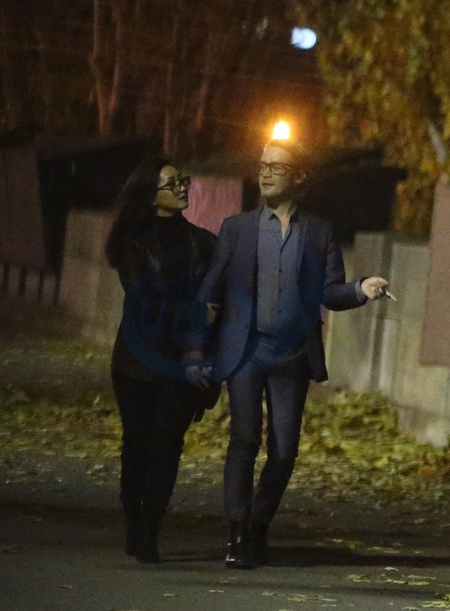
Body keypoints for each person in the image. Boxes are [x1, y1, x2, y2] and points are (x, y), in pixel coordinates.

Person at [192, 139, 389, 569]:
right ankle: (237, 532)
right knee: (244, 439)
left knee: (284, 450)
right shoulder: (237, 228)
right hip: (245, 352)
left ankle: (259, 522)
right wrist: (198, 351)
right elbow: (209, 291)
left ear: (298, 176)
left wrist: (361, 288)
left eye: (276, 168)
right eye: (262, 165)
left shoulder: (318, 231)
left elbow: (329, 292)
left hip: (293, 355)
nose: (264, 173)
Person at [105, 156, 218, 564]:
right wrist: (193, 314)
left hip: (181, 366)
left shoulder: (204, 243)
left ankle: (150, 527)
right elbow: (142, 302)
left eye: (184, 180)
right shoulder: (132, 243)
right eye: (173, 183)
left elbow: (218, 308)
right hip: (136, 363)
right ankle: (133, 519)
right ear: (151, 196)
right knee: (137, 444)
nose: (183, 187)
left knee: (168, 447)